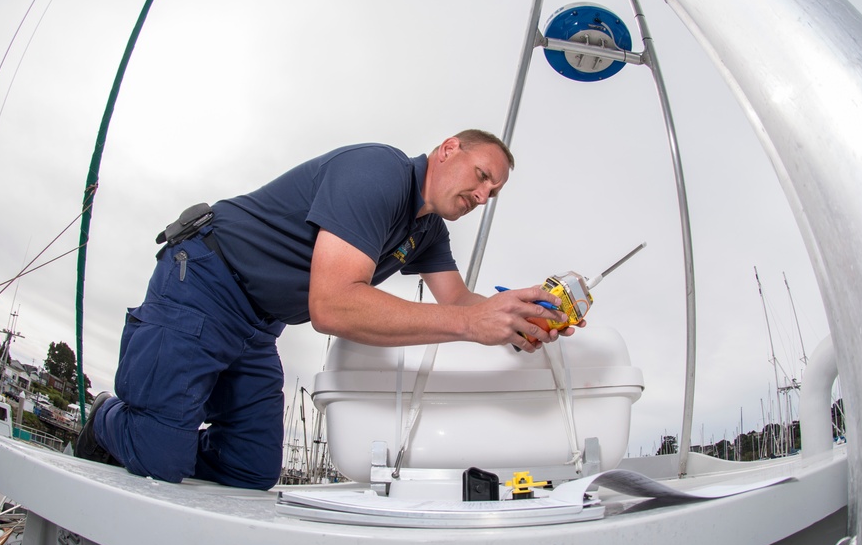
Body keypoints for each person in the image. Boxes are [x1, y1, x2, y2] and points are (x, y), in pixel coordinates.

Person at [75, 129, 583, 489]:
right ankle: (112, 420)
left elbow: (460, 301)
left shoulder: (427, 231)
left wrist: (523, 313)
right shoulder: (377, 172)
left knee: (250, 470)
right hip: (205, 279)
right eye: (481, 175)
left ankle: (165, 430)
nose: (483, 194)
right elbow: (333, 304)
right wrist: (472, 323)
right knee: (159, 454)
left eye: (493, 191)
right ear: (447, 149)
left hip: (257, 324)